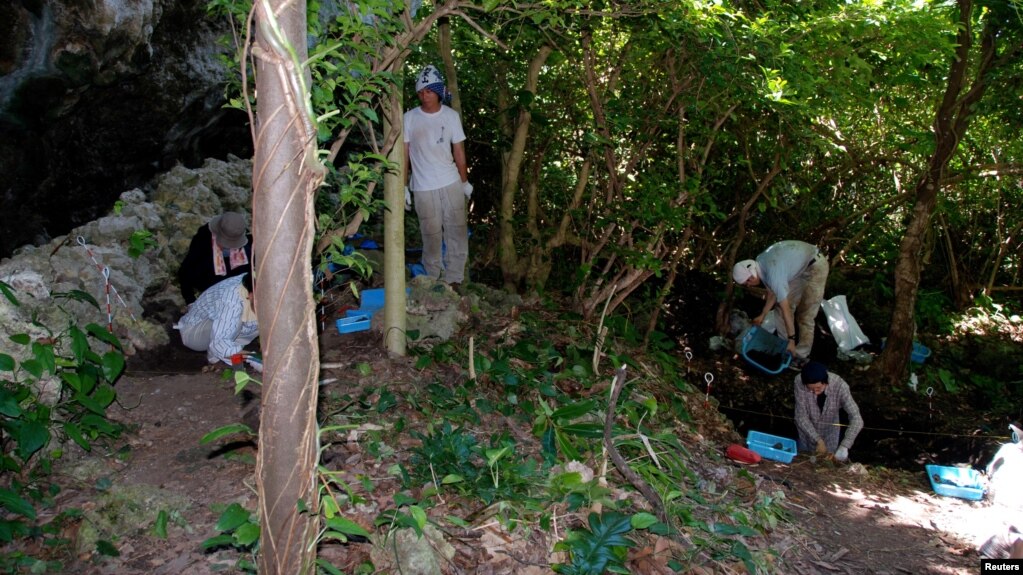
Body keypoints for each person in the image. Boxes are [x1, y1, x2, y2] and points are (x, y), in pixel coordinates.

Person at [404, 64, 472, 287]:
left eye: (429, 91)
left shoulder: (451, 116)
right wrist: (404, 186)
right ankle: (433, 280)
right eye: (421, 92)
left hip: (450, 181)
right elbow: (404, 154)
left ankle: (455, 280)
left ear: (439, 91)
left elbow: (459, 151)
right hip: (423, 186)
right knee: (430, 235)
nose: (425, 96)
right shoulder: (410, 118)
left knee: (457, 231)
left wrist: (464, 182)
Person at [732, 240, 828, 368]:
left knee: (805, 315)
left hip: (815, 265)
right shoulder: (761, 264)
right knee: (779, 309)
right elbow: (772, 293)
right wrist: (763, 314)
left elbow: (786, 308)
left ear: (752, 275)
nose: (748, 286)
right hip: (798, 270)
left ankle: (800, 355)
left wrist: (792, 339)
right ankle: (786, 350)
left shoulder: (773, 273)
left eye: (747, 282)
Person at [174, 273, 258, 365]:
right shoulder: (231, 299)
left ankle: (234, 353)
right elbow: (219, 344)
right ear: (250, 295)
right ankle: (215, 360)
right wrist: (254, 360)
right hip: (194, 332)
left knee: (266, 320)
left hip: (230, 331)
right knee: (234, 324)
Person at [178, 211, 253, 305]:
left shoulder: (246, 248)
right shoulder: (203, 239)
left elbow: (248, 272)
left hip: (233, 283)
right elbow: (186, 271)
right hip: (209, 280)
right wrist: (190, 301)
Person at [793, 361, 862, 462]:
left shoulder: (840, 386)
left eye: (818, 388)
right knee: (802, 462)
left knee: (826, 465)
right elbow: (800, 416)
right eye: (811, 389)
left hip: (830, 433)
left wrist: (845, 445)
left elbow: (857, 418)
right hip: (806, 433)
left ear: (826, 382)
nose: (815, 393)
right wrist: (818, 440)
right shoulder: (799, 382)